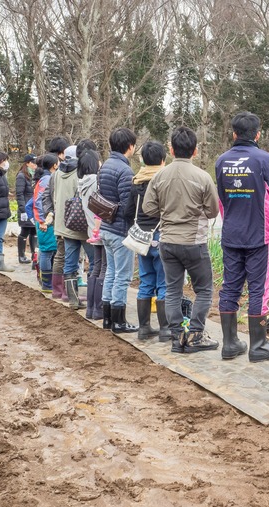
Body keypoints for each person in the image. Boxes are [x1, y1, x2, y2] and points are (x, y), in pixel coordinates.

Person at [216, 112, 269, 363]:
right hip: (258, 234)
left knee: (230, 286)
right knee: (259, 289)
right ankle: (258, 345)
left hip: (231, 232)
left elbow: (222, 198)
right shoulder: (265, 160)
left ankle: (230, 344)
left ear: (234, 134)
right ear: (257, 134)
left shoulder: (221, 160)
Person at [144, 127, 220, 353]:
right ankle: (196, 335)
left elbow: (148, 207)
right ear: (195, 151)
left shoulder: (159, 176)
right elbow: (214, 210)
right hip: (194, 242)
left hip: (168, 241)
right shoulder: (203, 177)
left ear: (171, 149)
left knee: (172, 290)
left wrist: (167, 212)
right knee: (204, 290)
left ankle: (177, 338)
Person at [99, 127, 139, 333]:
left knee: (111, 273)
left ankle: (107, 318)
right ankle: (119, 321)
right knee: (122, 276)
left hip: (106, 226)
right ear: (129, 146)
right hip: (120, 230)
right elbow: (126, 207)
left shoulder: (105, 165)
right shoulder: (125, 171)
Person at [129, 141, 169, 342]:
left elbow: (128, 211)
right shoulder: (165, 180)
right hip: (161, 235)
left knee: (145, 282)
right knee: (163, 283)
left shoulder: (136, 181)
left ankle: (144, 328)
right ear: (163, 159)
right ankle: (165, 330)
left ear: (143, 159)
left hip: (142, 238)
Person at [50, 144, 93, 309]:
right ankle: (94, 299)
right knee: (95, 262)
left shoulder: (58, 173)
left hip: (64, 224)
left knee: (69, 262)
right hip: (81, 225)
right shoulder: (80, 173)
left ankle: (73, 299)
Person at [76, 145, 105, 320]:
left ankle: (91, 309)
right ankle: (99, 308)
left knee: (95, 268)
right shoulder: (96, 180)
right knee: (102, 268)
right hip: (99, 227)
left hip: (90, 228)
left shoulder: (82, 182)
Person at [42, 136, 71, 301]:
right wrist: (50, 213)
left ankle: (57, 289)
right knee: (65, 254)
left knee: (60, 254)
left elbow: (45, 198)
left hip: (58, 220)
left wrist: (51, 213)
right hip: (65, 221)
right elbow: (46, 197)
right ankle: (65, 290)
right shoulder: (58, 174)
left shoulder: (54, 174)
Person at [33, 154, 59, 292]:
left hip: (45, 221)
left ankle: (48, 283)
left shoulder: (45, 178)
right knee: (47, 251)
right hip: (45, 222)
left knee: (48, 251)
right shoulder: (47, 179)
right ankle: (47, 284)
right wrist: (44, 220)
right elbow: (39, 201)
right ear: (54, 165)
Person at [16, 154, 38, 264]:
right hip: (26, 208)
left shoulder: (35, 176)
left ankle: (35, 255)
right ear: (27, 163)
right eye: (33, 163)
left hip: (34, 208)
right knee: (25, 231)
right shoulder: (21, 176)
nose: (35, 165)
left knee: (34, 231)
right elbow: (19, 194)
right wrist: (23, 210)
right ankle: (21, 255)